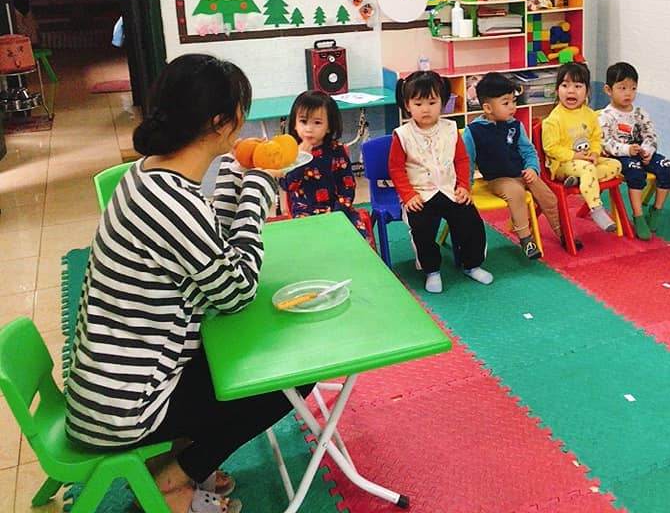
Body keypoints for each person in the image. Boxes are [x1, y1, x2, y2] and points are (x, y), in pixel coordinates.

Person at [64, 54, 304, 513]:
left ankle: (185, 466)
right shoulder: (173, 204)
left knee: (232, 359)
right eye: (240, 110)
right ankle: (175, 480)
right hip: (126, 407)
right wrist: (258, 191)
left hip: (105, 387)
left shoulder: (148, 175)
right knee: (291, 377)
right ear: (219, 122)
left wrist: (235, 177)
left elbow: (210, 245)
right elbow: (236, 291)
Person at [388, 71, 492, 293]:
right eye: (418, 104)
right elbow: (396, 169)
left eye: (432, 102)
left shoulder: (451, 129)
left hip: (449, 190)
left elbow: (462, 160)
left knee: (471, 222)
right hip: (420, 194)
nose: (425, 109)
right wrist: (408, 195)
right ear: (407, 105)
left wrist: (463, 186)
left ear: (443, 103)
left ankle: (472, 265)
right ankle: (432, 270)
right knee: (421, 228)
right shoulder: (402, 134)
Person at [462, 72, 562, 260]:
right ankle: (525, 238)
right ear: (488, 108)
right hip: (498, 179)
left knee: (548, 196)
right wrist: (465, 187)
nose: (512, 107)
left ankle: (562, 232)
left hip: (522, 174)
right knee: (516, 193)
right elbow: (467, 161)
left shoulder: (515, 125)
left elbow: (528, 150)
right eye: (505, 103)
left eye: (513, 101)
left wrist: (532, 168)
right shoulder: (473, 131)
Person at [541, 62, 622, 233]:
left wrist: (595, 153)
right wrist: (575, 156)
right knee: (587, 168)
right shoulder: (553, 120)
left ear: (587, 91)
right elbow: (551, 148)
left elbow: (595, 138)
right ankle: (596, 209)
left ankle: (581, 180)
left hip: (586, 161)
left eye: (577, 86)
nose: (571, 91)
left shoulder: (590, 114)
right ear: (557, 90)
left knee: (616, 165)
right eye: (565, 85)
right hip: (562, 164)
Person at [599, 61, 670, 240]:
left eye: (633, 88)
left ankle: (657, 209)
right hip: (621, 157)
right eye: (622, 88)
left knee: (666, 166)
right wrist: (627, 149)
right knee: (635, 171)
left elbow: (651, 135)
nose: (628, 93)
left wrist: (647, 150)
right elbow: (605, 142)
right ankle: (638, 215)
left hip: (641, 153)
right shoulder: (606, 116)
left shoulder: (640, 113)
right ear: (608, 90)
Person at [279, 90, 367, 239]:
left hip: (337, 208)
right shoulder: (290, 152)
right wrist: (300, 159)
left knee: (357, 236)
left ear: (329, 127)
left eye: (317, 123)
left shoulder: (337, 150)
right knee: (309, 242)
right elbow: (287, 185)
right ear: (294, 124)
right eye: (303, 121)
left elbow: (347, 186)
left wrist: (338, 212)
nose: (309, 129)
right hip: (304, 212)